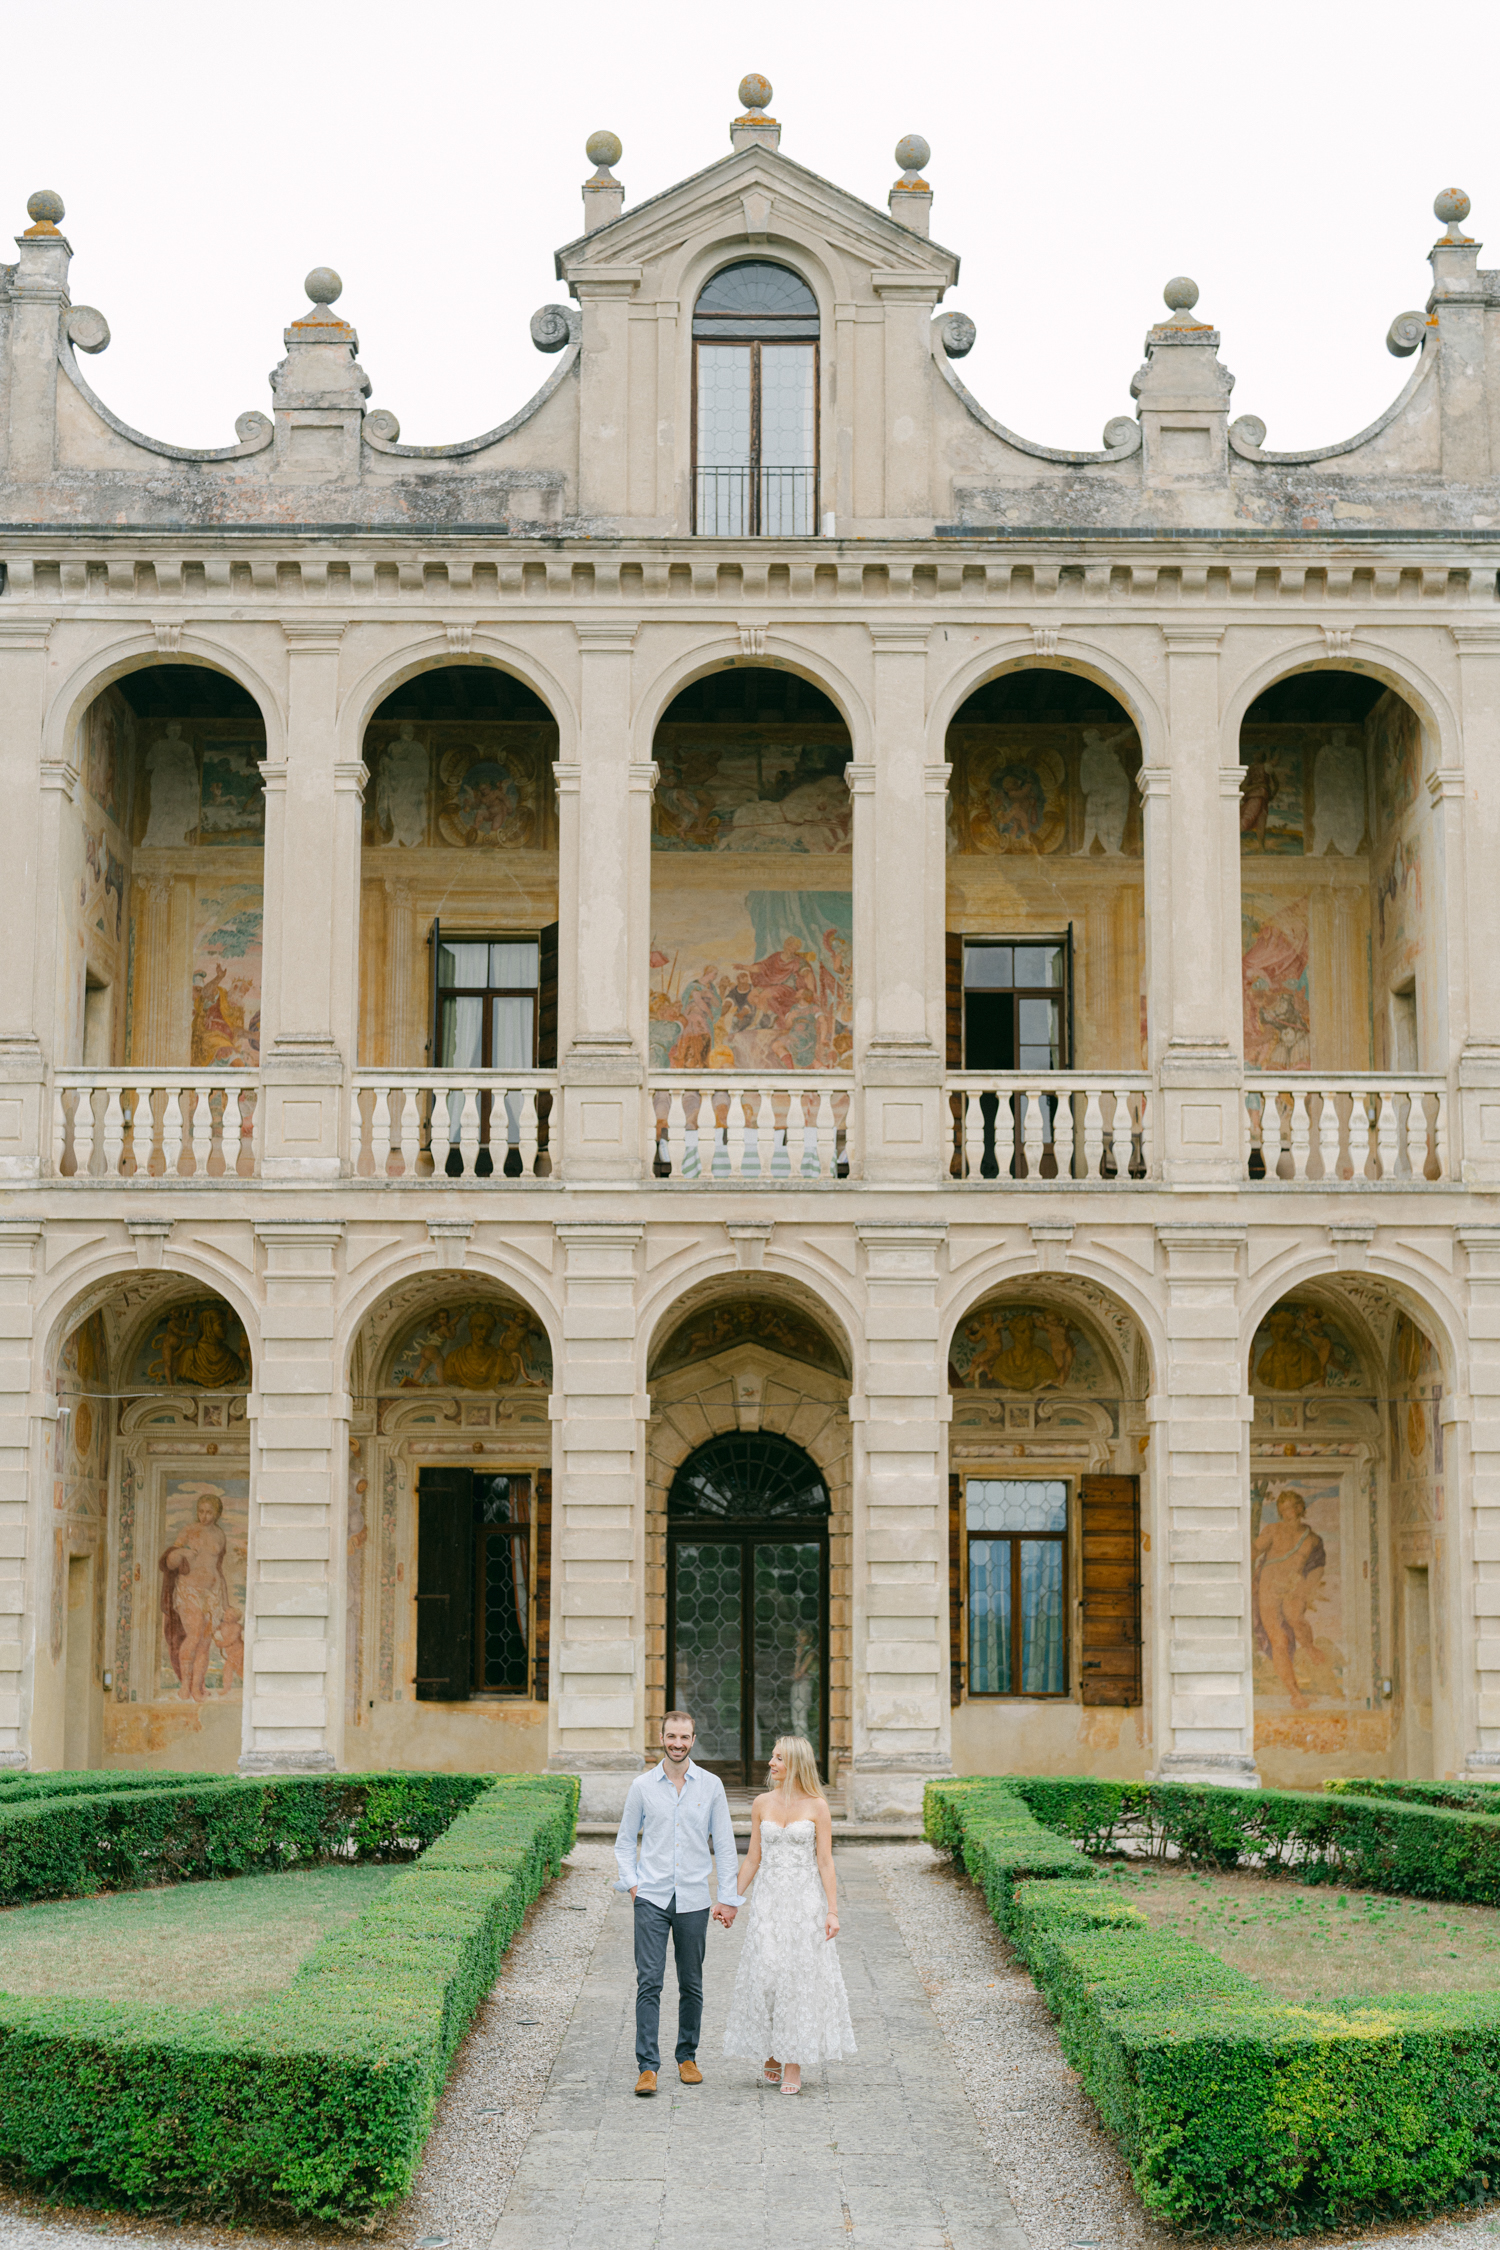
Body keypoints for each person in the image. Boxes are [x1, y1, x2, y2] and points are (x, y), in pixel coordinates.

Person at [614, 1709, 739, 2098]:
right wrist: (633, 1885)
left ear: (693, 1738)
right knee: (649, 1982)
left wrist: (728, 1897)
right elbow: (623, 1843)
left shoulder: (711, 1786)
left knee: (692, 1983)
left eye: (684, 1738)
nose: (678, 1744)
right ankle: (647, 2067)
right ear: (662, 1738)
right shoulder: (642, 1786)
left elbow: (726, 1844)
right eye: (671, 1737)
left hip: (693, 1899)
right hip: (650, 1899)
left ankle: (687, 2057)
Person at [722, 1734, 855, 2096]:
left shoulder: (817, 1806)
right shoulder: (761, 1803)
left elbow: (825, 1861)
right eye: (772, 1756)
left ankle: (792, 2061)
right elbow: (752, 1857)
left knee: (797, 1981)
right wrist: (730, 1899)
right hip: (768, 1904)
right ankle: (771, 2051)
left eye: (778, 1758)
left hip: (804, 1905)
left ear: (795, 1763)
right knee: (766, 1974)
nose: (771, 1763)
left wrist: (832, 1911)